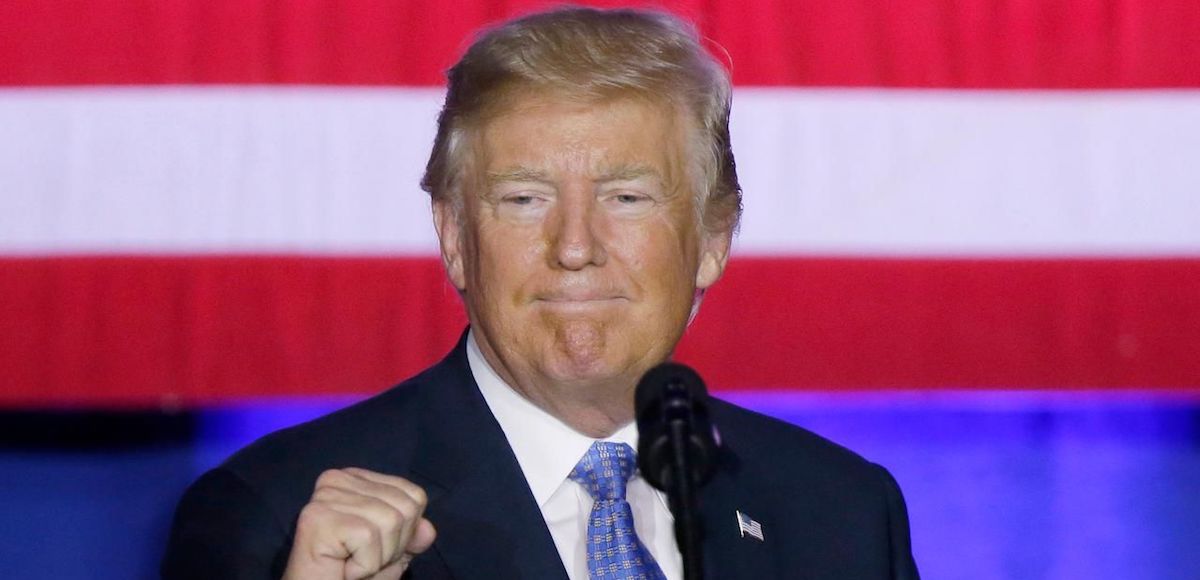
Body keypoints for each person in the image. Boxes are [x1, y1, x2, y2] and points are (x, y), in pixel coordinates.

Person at [162, 7, 919, 580]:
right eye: (524, 199)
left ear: (714, 239)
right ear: (455, 237)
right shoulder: (272, 518)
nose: (576, 246)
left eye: (627, 198)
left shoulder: (841, 513)